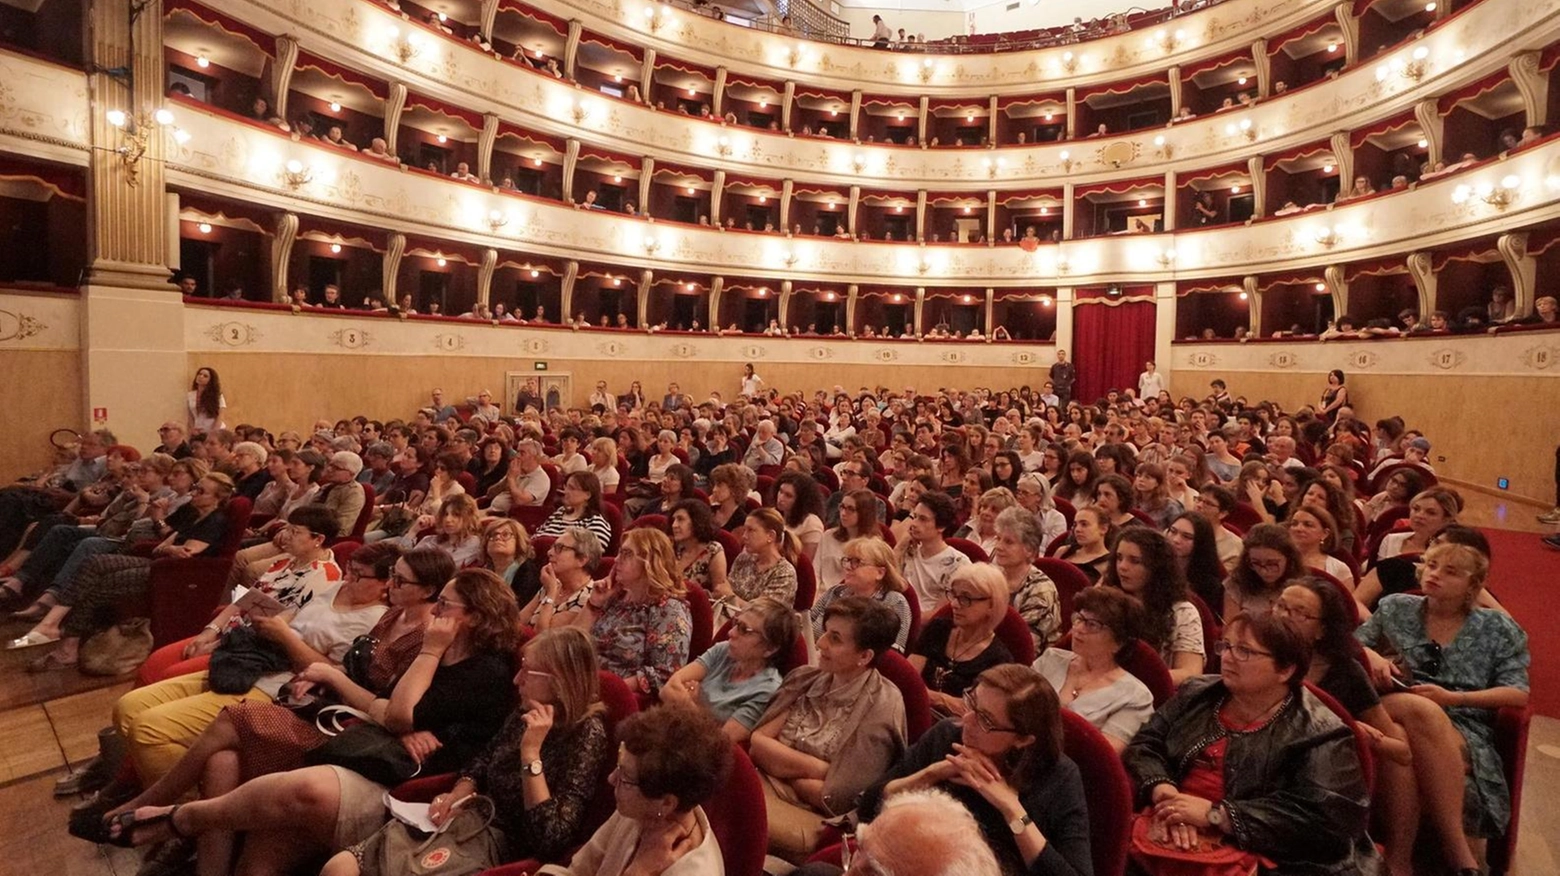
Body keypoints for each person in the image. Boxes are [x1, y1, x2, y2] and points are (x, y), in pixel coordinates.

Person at [107, 569, 524, 872]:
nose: (437, 609)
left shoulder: (481, 667)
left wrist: (421, 661)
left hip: (398, 769)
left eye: (446, 604)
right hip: (362, 733)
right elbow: (386, 705)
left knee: (238, 724)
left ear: (473, 615)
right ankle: (198, 857)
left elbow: (395, 714)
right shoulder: (437, 647)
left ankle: (174, 817)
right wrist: (388, 705)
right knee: (222, 761)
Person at [321, 625, 611, 876]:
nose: (516, 680)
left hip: (495, 846)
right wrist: (458, 793)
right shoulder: (528, 707)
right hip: (466, 819)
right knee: (339, 866)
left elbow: (549, 838)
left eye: (528, 671)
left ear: (559, 681)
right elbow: (483, 759)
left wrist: (531, 755)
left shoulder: (586, 732)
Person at [1123, 612, 1378, 874]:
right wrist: (1164, 792)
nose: (1227, 657)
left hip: (1270, 854)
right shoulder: (1197, 694)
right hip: (1174, 820)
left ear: (1285, 669)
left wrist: (1219, 815)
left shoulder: (1321, 731)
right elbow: (1145, 744)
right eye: (1226, 646)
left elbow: (1327, 822)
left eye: (1244, 651)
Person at [1356, 542, 1530, 874]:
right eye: (1432, 566)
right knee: (1418, 711)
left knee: (1403, 741)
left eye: (1450, 572)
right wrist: (1373, 656)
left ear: (1474, 585)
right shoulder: (1394, 607)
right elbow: (1348, 651)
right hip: (1395, 702)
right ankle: (1459, 855)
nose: (1435, 575)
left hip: (1463, 720)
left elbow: (1517, 694)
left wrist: (1453, 699)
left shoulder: (1498, 627)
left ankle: (1398, 862)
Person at [852, 663, 1091, 876]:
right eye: (971, 702)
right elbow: (868, 807)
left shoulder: (1059, 776)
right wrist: (931, 774)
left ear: (1023, 740)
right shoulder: (948, 735)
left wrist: (1011, 809)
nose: (967, 720)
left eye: (985, 720)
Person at [9, 473, 236, 666]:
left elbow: (187, 553)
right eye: (196, 488)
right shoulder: (193, 512)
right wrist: (167, 545)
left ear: (217, 498)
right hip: (161, 562)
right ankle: (50, 624)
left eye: (201, 491)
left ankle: (68, 643)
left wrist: (168, 547)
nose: (194, 493)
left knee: (102, 582)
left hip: (176, 574)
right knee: (95, 562)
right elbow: (164, 543)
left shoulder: (215, 520)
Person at [751, 596, 906, 862]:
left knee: (729, 812)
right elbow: (757, 743)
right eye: (825, 633)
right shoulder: (807, 678)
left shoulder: (881, 709)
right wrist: (820, 769)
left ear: (864, 656)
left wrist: (780, 765)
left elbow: (835, 798)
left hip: (812, 816)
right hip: (761, 782)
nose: (820, 643)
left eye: (835, 639)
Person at [537, 703, 730, 876]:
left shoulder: (694, 871)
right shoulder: (640, 812)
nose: (611, 778)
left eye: (626, 778)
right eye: (619, 766)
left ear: (667, 802)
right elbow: (578, 871)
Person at [573, 528, 691, 696]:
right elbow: (570, 643)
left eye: (626, 554)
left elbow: (664, 674)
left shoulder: (669, 609)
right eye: (619, 552)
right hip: (581, 683)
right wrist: (594, 604)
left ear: (650, 561)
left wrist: (601, 688)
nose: (616, 559)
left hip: (617, 697)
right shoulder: (616, 597)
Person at [1035, 586, 1155, 752]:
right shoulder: (1050, 659)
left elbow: (1103, 756)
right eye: (1079, 619)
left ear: (1118, 642)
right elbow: (1013, 707)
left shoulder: (1135, 697)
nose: (1078, 629)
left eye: (1092, 625)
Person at [662, 596, 795, 742]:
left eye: (744, 630)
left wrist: (695, 705)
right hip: (672, 732)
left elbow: (721, 743)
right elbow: (668, 689)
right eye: (736, 623)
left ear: (770, 648)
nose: (731, 633)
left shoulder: (766, 690)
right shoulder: (723, 650)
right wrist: (702, 714)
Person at [1101, 527, 1205, 684]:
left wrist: (1126, 681)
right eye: (1119, 558)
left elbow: (1190, 673)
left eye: (1134, 561)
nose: (1122, 566)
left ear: (1156, 567)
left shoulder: (1183, 612)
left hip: (1153, 695)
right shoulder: (1108, 599)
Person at [911, 564, 1013, 715]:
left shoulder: (999, 660)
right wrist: (943, 699)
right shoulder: (938, 628)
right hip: (915, 711)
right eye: (953, 595)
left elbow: (971, 711)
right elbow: (908, 678)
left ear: (991, 605)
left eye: (965, 598)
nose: (954, 604)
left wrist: (925, 694)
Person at [809, 536, 913, 653]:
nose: (848, 567)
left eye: (856, 562)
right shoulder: (835, 593)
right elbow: (806, 625)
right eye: (847, 561)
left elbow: (892, 654)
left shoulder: (894, 603)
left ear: (880, 573)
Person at [991, 506, 1060, 649]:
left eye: (1008, 542)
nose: (999, 546)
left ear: (1030, 550)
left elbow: (1023, 645)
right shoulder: (992, 576)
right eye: (998, 538)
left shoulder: (1041, 589)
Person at [716, 507, 799, 623]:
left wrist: (731, 597)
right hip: (730, 622)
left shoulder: (784, 573)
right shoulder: (743, 559)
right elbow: (724, 593)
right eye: (745, 530)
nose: (744, 536)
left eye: (751, 530)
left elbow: (764, 616)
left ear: (770, 536)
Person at [897, 492, 971, 612]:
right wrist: (900, 546)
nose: (914, 524)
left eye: (923, 519)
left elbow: (938, 614)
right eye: (915, 516)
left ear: (941, 526)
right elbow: (887, 585)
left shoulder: (958, 564)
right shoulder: (908, 550)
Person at [519, 526, 603, 631]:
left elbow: (543, 637)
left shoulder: (587, 598)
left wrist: (551, 594)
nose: (549, 552)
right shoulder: (555, 583)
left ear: (582, 560)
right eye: (552, 547)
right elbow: (518, 623)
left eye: (559, 548)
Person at [1224, 522, 1307, 619]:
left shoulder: (1303, 587)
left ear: (1289, 559)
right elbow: (1230, 630)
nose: (1264, 571)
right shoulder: (1236, 584)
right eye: (1256, 563)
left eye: (1272, 564)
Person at [814, 487, 882, 592]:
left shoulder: (873, 546)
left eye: (851, 509)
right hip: (821, 595)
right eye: (842, 507)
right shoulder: (828, 536)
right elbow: (815, 573)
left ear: (864, 513)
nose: (843, 513)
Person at [1165, 511, 1228, 619]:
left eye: (1187, 537)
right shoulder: (1151, 568)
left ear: (1200, 542)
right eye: (1173, 531)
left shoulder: (1209, 585)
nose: (1176, 540)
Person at [533, 471, 613, 547]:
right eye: (566, 487)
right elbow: (536, 536)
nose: (565, 492)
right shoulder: (560, 512)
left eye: (572, 488)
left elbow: (589, 555)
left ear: (587, 495)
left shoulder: (595, 523)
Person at [482, 517, 541, 602]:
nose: (498, 538)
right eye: (493, 535)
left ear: (519, 541)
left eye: (505, 535)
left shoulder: (529, 573)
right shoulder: (483, 572)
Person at [1052, 506, 1112, 583]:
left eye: (1084, 524)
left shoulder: (1108, 564)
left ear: (1103, 529)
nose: (1077, 529)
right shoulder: (1063, 551)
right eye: (1075, 525)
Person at [774, 471, 825, 560]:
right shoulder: (773, 514)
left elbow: (806, 562)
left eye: (788, 496)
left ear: (801, 500)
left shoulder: (811, 523)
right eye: (780, 491)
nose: (781, 498)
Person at [1013, 473, 1068, 554]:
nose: (1019, 496)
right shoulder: (1011, 514)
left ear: (1039, 496)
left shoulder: (1057, 519)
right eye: (1018, 491)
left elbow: (1051, 551)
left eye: (1025, 493)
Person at [708, 462, 753, 533]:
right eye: (715, 485)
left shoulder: (741, 520)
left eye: (719, 485)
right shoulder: (710, 511)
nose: (714, 490)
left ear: (733, 489)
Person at [187, 367, 227, 434]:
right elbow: (190, 415)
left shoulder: (217, 395)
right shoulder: (190, 395)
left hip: (214, 429)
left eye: (205, 376)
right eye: (199, 374)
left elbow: (220, 416)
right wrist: (192, 429)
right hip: (198, 430)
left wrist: (213, 432)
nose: (201, 377)